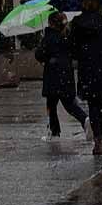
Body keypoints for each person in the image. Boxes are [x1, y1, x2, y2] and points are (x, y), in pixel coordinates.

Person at [70, 0, 102, 155]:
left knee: (93, 105)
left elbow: (73, 49)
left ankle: (98, 140)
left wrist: (84, 53)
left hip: (87, 69)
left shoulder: (77, 24)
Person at [35, 12, 89, 140]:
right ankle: (85, 119)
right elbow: (75, 53)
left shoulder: (48, 37)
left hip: (52, 76)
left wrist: (44, 48)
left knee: (51, 105)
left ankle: (54, 132)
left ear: (51, 23)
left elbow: (39, 55)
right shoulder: (67, 36)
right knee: (70, 104)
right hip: (66, 75)